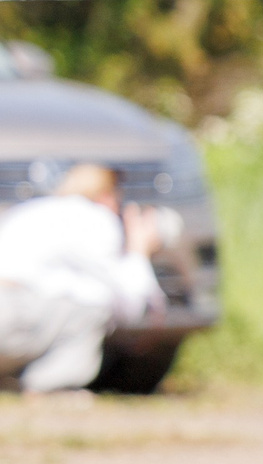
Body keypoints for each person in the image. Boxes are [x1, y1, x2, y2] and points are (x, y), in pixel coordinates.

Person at [0, 163, 164, 394]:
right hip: (12, 312)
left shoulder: (31, 210)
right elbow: (127, 304)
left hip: (11, 310)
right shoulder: (95, 218)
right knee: (94, 304)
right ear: (106, 195)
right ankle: (54, 385)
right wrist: (139, 250)